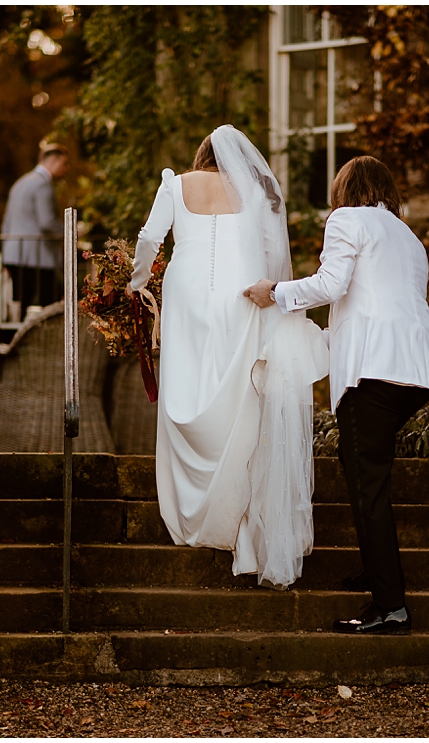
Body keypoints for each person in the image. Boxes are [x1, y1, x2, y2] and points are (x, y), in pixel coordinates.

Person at [244, 156, 429, 634]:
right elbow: (372, 302)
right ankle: (377, 574)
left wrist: (275, 291)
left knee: (367, 484)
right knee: (367, 475)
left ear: (344, 190)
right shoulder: (407, 237)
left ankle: (391, 606)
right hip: (417, 370)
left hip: (373, 372)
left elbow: (332, 286)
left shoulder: (346, 219)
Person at [126, 125, 328, 589]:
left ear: (201, 158)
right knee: (239, 393)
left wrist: (137, 283)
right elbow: (272, 251)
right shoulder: (255, 192)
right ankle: (235, 514)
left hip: (187, 300)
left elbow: (149, 241)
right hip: (242, 295)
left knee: (186, 386)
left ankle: (193, 515)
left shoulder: (175, 184)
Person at [0, 142, 71, 307]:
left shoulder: (20, 182)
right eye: (64, 164)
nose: (66, 169)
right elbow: (47, 222)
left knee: (21, 307)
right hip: (37, 258)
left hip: (13, 255)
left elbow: (6, 223)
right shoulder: (42, 184)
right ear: (53, 162)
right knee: (48, 306)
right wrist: (70, 232)